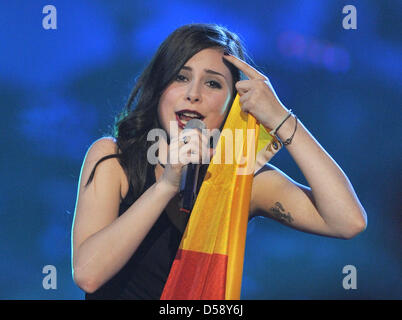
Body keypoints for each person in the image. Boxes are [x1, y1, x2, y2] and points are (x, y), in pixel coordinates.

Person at [71, 23, 367, 299]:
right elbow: (89, 275)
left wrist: (280, 118)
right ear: (159, 87)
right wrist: (166, 187)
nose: (193, 94)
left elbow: (348, 221)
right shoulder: (113, 158)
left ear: (232, 104)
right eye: (181, 77)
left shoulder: (240, 178)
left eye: (212, 84)